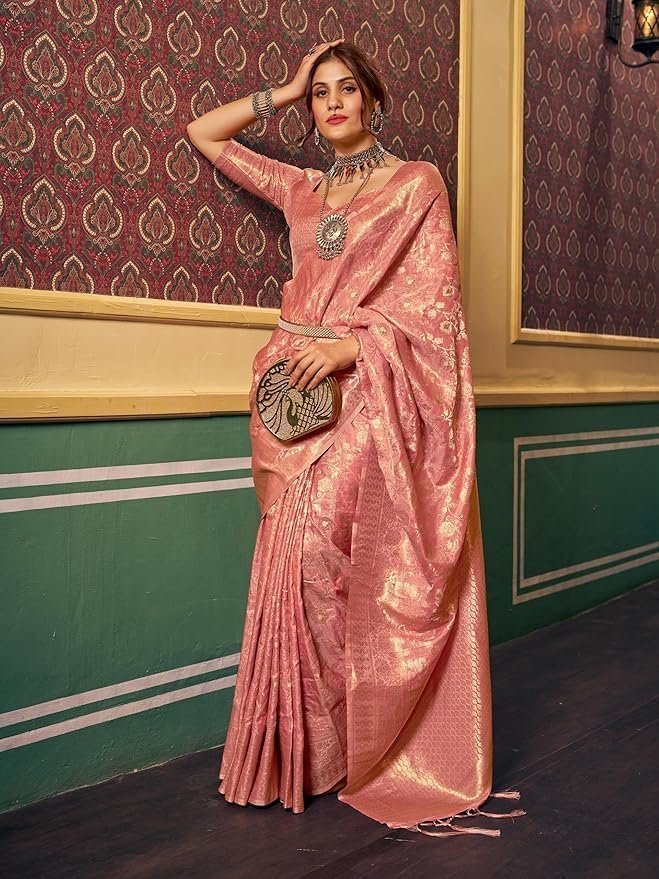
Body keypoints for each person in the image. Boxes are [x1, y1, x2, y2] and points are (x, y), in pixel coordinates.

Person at [187, 41, 525, 838]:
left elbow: (435, 310)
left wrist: (351, 346)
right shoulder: (301, 188)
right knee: (290, 565)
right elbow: (204, 133)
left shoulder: (415, 185)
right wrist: (282, 89)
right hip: (290, 399)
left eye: (346, 89)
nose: (333, 102)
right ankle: (305, 754)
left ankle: (365, 740)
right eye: (321, 93)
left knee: (330, 562)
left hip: (367, 392)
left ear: (372, 99)